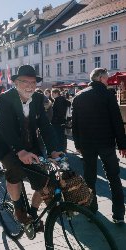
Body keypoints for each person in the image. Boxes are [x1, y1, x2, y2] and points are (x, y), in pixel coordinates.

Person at [0, 65, 61, 227]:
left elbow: (45, 125)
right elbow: (4, 126)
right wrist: (20, 151)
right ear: (15, 82)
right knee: (14, 171)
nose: (30, 85)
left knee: (45, 180)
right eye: (25, 82)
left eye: (33, 82)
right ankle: (19, 209)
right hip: (5, 143)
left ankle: (33, 213)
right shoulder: (4, 98)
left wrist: (54, 150)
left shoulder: (37, 98)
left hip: (29, 142)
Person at [72, 68, 126, 224]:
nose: (108, 81)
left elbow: (75, 124)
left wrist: (77, 144)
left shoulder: (79, 96)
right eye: (107, 78)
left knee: (89, 178)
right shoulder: (108, 95)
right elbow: (117, 121)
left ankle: (91, 210)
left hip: (87, 144)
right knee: (113, 178)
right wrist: (122, 144)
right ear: (101, 78)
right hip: (106, 143)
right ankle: (118, 214)